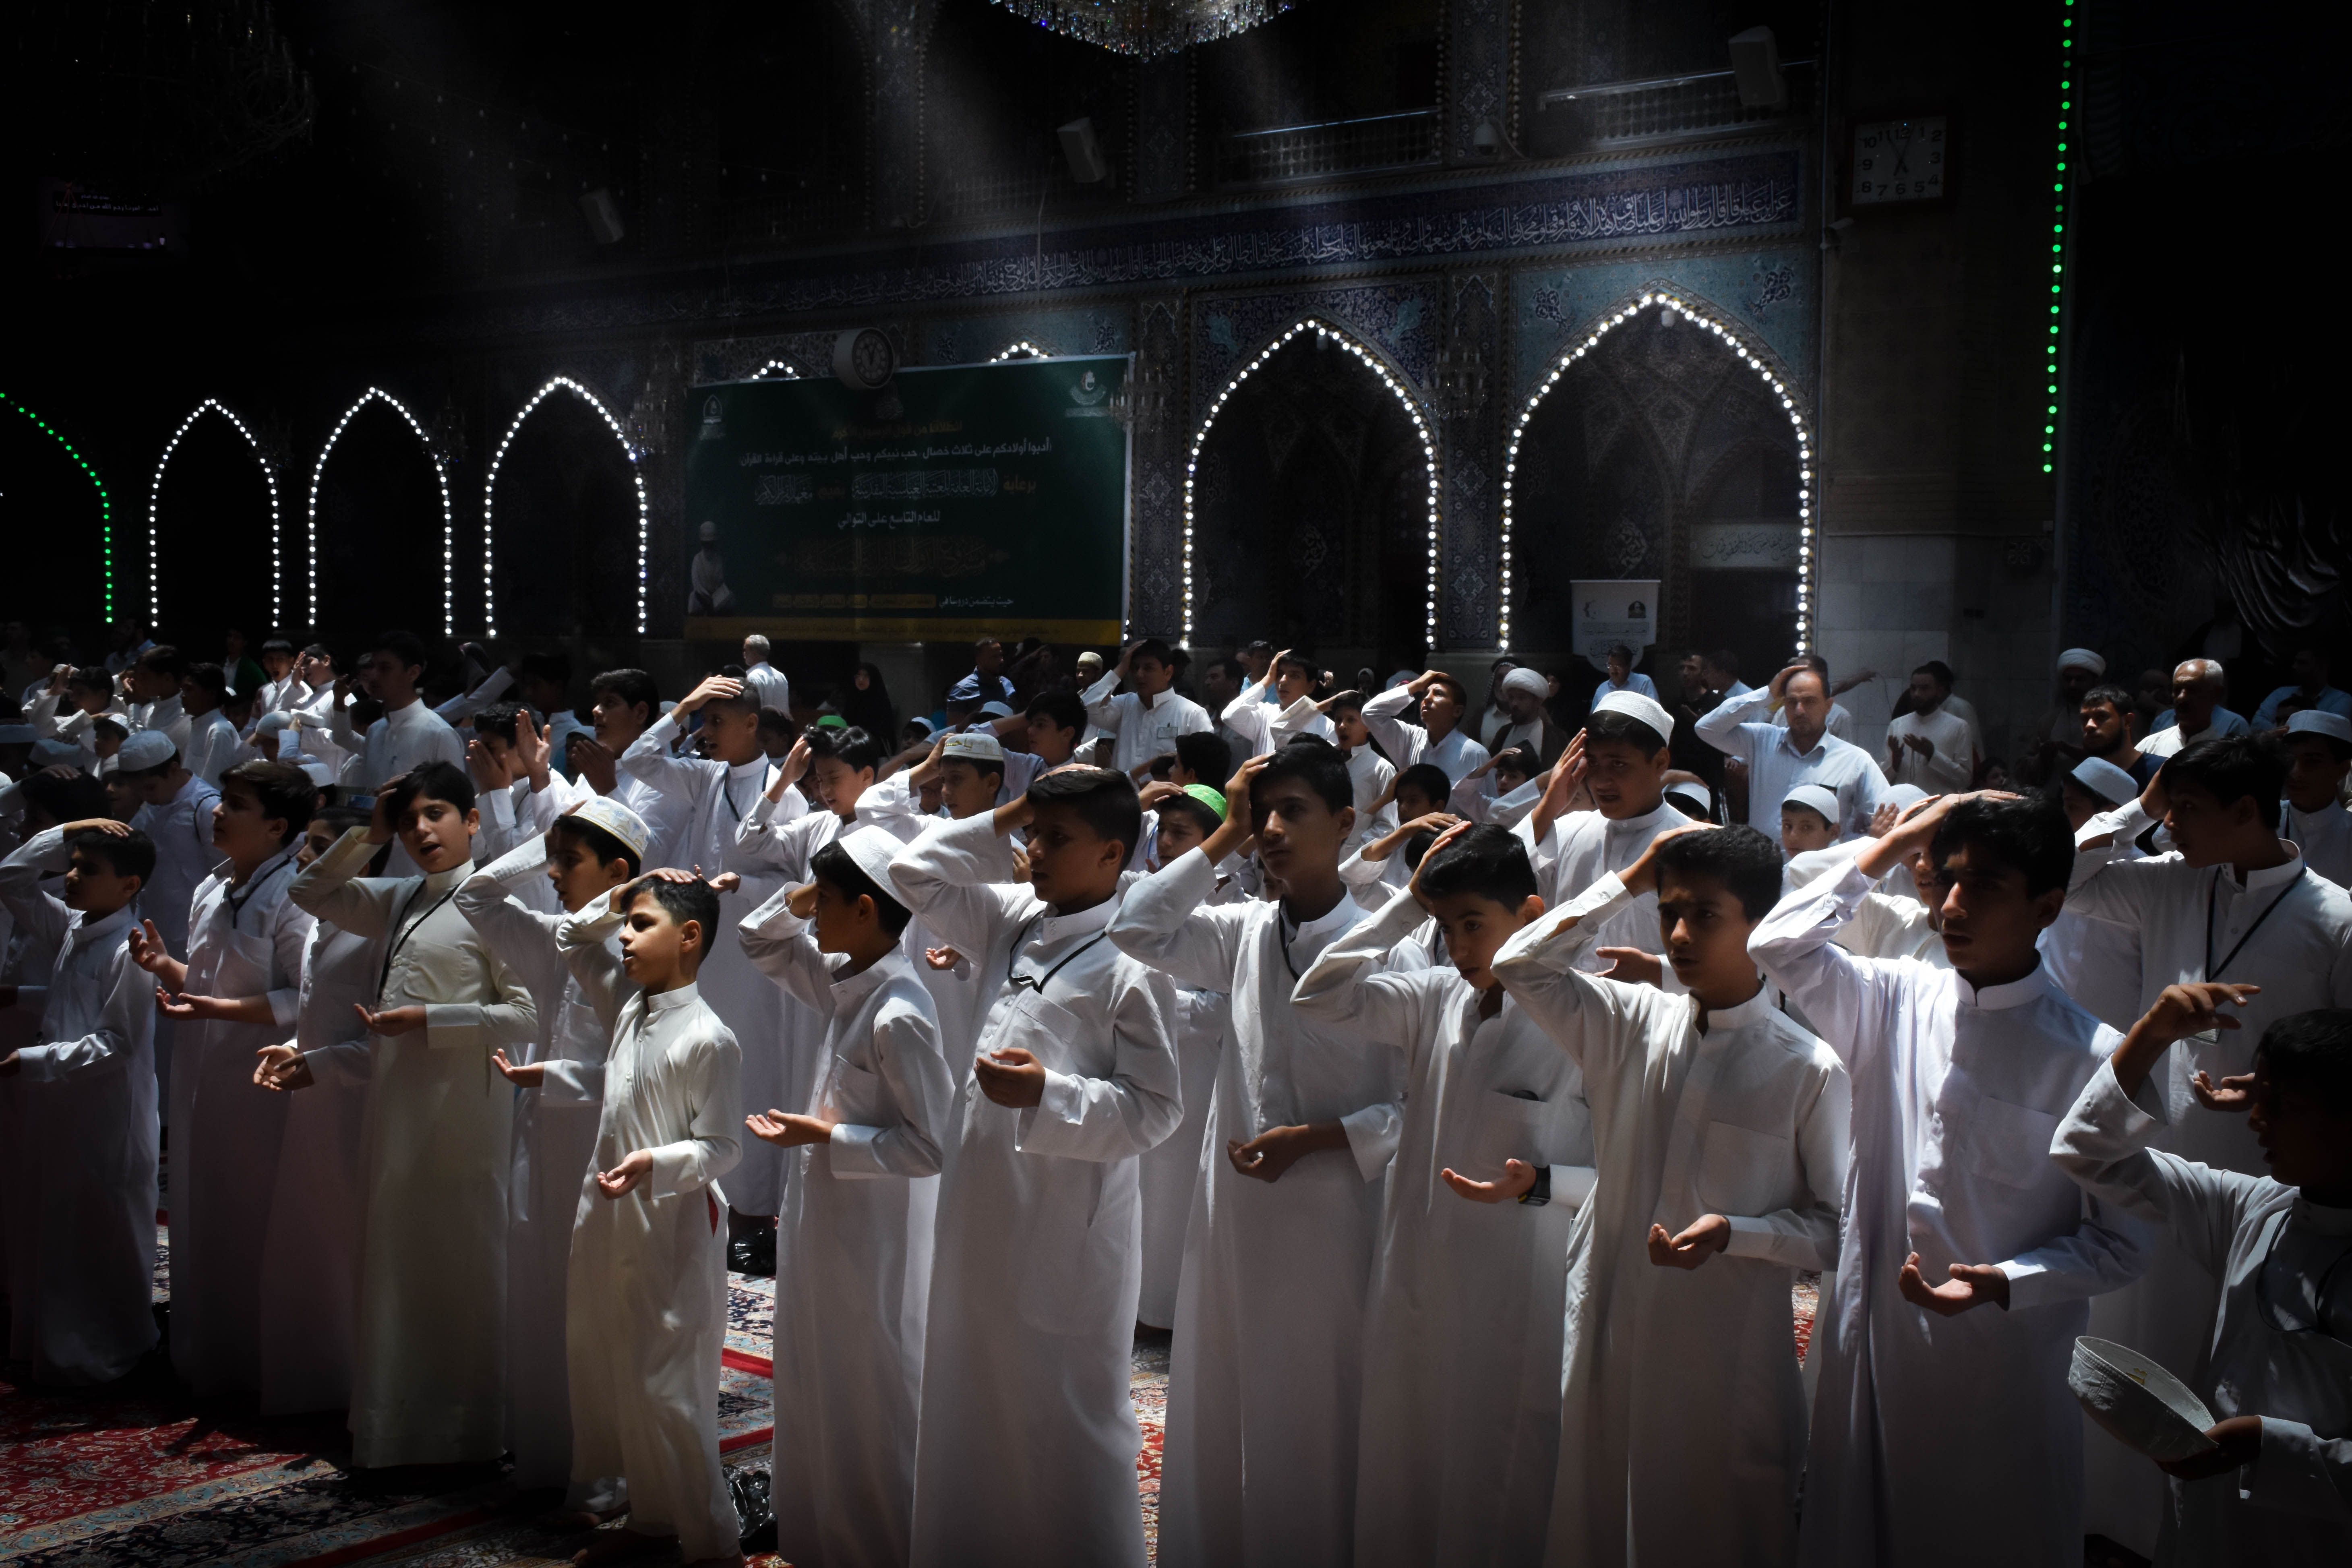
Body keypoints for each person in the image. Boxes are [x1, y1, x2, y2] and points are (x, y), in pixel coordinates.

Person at [1750, 791, 2151, 1568]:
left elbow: (2121, 1245)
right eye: (1948, 877)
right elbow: (1778, 941)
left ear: (2048, 906)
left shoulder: (2093, 1056)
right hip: (1875, 1349)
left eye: (1986, 884)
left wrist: (2003, 1281)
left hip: (1999, 1368)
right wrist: (1907, 835)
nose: (1954, 904)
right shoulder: (1893, 997)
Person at [1487, 821, 1847, 1568]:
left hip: (1725, 1359)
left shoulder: (1807, 1067)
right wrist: (1628, 880)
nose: (1679, 934)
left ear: (1760, 922)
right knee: (1598, 1517)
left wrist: (1737, 1232)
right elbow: (1517, 963)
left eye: (1705, 914)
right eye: (1668, 911)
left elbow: (1838, 1230)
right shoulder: (1628, 1023)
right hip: (1612, 1331)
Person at [2061, 731, 2352, 1553]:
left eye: (2187, 809)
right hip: (2161, 1166)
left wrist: (2268, 1089)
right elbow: (2065, 882)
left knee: (2233, 1371)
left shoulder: (2335, 918)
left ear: (2247, 810)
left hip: (2267, 1182)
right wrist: (2141, 805)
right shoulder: (2171, 881)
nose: (2171, 825)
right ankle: (2120, 1528)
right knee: (2139, 1355)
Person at [1112, 745, 1400, 1568]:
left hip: (1336, 1222)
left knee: (1317, 1408)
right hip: (1238, 1218)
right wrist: (1225, 830)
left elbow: (1417, 1106)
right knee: (1229, 1392)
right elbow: (1135, 926)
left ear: (1344, 824)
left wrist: (1317, 1138)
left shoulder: (1388, 946)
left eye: (1292, 812)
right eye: (1262, 813)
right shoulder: (1241, 931)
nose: (1271, 829)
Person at [889, 766, 1181, 1568]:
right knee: (971, 1385)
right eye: (1032, 834)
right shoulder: (1013, 918)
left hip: (1065, 1227)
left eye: (1057, 838)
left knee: (1064, 1414)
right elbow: (913, 871)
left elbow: (1157, 1107)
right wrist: (1019, 806)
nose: (1035, 851)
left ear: (1112, 853)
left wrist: (1048, 1093)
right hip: (980, 1204)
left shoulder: (1134, 959)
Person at [1291, 824, 1594, 1565]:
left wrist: (1543, 1185)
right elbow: (1317, 994)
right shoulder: (1434, 997)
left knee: (1499, 1474)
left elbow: (1625, 1168)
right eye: (1446, 927)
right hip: (1417, 1274)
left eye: (1473, 925)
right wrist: (1405, 905)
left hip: (1517, 1293)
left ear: (1530, 913)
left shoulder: (1584, 1016)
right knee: (1406, 1457)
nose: (1458, 947)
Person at [272, 761, 537, 1468]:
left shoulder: (495, 906)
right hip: (396, 1107)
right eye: (410, 819)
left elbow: (526, 1014)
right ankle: (394, 1432)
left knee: (457, 1262)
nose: (422, 830)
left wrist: (431, 1019)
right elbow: (309, 889)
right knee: (394, 1263)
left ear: (472, 820)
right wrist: (371, 831)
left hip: (462, 1110)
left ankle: (465, 1434)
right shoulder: (399, 898)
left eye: (437, 814)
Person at [2052, 989, 2352, 1564]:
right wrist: (2151, 1034)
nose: (2257, 1120)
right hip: (2206, 1534)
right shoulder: (2256, 1208)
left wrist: (2268, 1447)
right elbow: (2088, 1152)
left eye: (2284, 1104)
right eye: (2259, 1097)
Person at [738, 827, 956, 1568]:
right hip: (825, 1217)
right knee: (817, 1371)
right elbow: (758, 938)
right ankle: (819, 1531)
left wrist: (826, 1136)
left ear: (864, 910)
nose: (812, 913)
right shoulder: (844, 978)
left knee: (872, 1388)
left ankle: (884, 1545)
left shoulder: (900, 1011)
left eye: (826, 901)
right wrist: (810, 889)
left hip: (876, 1237)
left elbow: (933, 1146)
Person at [457, 796, 648, 1494]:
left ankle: (605, 1470)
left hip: (606, 1149)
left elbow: (642, 1069)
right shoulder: (549, 938)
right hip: (540, 1138)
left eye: (570, 861)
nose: (555, 874)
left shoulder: (643, 952)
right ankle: (545, 1450)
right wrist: (546, 841)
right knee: (538, 1289)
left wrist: (557, 1075)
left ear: (618, 872)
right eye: (553, 861)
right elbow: (476, 894)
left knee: (595, 1303)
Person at [556, 873, 745, 1568]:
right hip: (609, 1216)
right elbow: (569, 935)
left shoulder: (709, 1036)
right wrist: (626, 892)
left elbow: (724, 1147)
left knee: (670, 1387)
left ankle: (715, 1544)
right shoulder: (631, 1008)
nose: (625, 936)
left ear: (689, 936)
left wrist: (654, 1161)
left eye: (641, 923)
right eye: (626, 923)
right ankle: (653, 1518)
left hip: (671, 1226)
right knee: (620, 1367)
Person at [130, 759, 315, 1397]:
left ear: (277, 826)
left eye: (235, 804)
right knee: (201, 1205)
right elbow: (205, 984)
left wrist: (221, 1009)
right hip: (202, 1074)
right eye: (224, 800)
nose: (217, 811)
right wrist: (167, 966)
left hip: (261, 1080)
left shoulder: (293, 897)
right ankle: (206, 1350)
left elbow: (305, 997)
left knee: (251, 1215)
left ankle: (256, 1361)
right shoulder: (214, 886)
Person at [619, 674, 786, 1227]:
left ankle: (753, 1209)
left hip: (754, 957)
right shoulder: (705, 776)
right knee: (697, 1072)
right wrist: (684, 706)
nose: (705, 731)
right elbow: (638, 760)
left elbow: (794, 882)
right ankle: (699, 1193)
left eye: (716, 721)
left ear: (752, 724)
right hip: (701, 949)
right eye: (703, 720)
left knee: (751, 1073)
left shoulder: (783, 790)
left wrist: (744, 886)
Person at [0, 817, 158, 1384]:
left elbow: (117, 1042)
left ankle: (107, 1351)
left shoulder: (130, 950)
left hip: (105, 1111)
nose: (70, 877)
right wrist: (70, 828)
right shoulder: (75, 925)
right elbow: (11, 877)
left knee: (99, 1227)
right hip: (61, 1103)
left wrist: (33, 1060)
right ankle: (54, 1342)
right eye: (71, 865)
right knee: (56, 1223)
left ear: (129, 885)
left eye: (87, 869)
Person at [252, 807, 378, 1415]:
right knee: (309, 1242)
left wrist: (321, 1061)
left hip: (358, 1113)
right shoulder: (319, 926)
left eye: (323, 847)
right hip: (313, 1108)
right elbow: (318, 1017)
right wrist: (296, 1047)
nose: (305, 858)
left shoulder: (379, 936)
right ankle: (314, 1378)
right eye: (307, 844)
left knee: (351, 1249)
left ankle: (357, 1387)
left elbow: (393, 1041)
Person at [1131, 785, 1238, 1330]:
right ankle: (1134, 1301)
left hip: (1196, 1073)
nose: (1167, 844)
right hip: (1138, 1066)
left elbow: (1226, 1005)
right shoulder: (1142, 895)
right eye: (1163, 832)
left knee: (1174, 1191)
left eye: (1181, 833)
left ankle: (1166, 1308)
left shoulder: (1233, 910)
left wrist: (1155, 1004)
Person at [1512, 691, 1686, 961]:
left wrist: (1656, 970)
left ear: (1660, 762)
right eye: (1593, 763)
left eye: (1618, 764)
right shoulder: (1566, 831)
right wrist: (1549, 805)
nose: (1601, 781)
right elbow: (1496, 885)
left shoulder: (1691, 844)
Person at [1696, 660, 1887, 838]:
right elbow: (1705, 728)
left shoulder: (1855, 761)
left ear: (1828, 706)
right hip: (1764, 860)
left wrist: (1849, 849)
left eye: (1809, 702)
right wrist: (1767, 694)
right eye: (1792, 702)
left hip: (1825, 863)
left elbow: (1886, 815)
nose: (1799, 711)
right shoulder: (1762, 741)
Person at [2038, 756, 2147, 1032]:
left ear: (2109, 814)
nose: (2063, 816)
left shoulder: (2146, 874)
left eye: (2072, 807)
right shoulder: (2057, 862)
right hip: (2049, 1019)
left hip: (2115, 1031)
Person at [327, 631, 468, 793]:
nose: (373, 676)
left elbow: (456, 800)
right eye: (373, 667)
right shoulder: (375, 730)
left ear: (413, 673)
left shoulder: (439, 733)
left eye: (385, 669)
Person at [1082, 638, 1212, 777]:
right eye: (1135, 668)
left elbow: (1206, 766)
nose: (1139, 675)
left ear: (1168, 672)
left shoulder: (1193, 713)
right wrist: (1122, 668)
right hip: (1123, 791)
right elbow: (1086, 707)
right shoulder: (1124, 705)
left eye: (1148, 668)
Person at [1361, 669, 1491, 786]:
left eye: (1438, 694)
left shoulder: (1475, 754)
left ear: (1457, 711)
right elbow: (1370, 713)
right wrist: (1415, 685)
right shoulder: (1411, 740)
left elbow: (1489, 804)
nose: (1427, 699)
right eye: (1425, 694)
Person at [1222, 648, 1335, 759]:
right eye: (1279, 674)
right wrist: (1268, 679)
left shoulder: (1328, 727)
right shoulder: (1264, 714)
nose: (1283, 681)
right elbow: (1230, 716)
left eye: (1294, 676)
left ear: (1311, 686)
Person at [2284, 710, 2352, 889]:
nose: (2295, 773)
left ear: (2343, 769)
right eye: (2289, 760)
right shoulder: (2258, 821)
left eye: (2312, 762)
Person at [1883, 661, 1972, 791]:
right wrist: (1894, 762)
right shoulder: (1897, 725)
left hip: (1941, 802)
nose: (1917, 694)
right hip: (1904, 802)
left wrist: (1933, 755)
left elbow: (1966, 780)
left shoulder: (1959, 727)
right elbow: (1882, 780)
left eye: (1924, 688)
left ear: (1939, 691)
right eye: (1914, 689)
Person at [2027, 648, 2112, 780]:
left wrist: (2071, 752)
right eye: (2068, 679)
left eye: (2080, 679)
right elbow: (2028, 769)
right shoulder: (2049, 721)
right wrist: (2043, 756)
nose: (2073, 685)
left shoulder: (2110, 720)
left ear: (2095, 682)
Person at [2142, 659, 2252, 758]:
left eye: (2192, 690)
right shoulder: (2149, 746)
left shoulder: (2231, 752)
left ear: (2217, 695)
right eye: (2177, 690)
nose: (2181, 697)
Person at [1486, 666, 1572, 769]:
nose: (1514, 704)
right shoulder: (1504, 733)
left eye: (1521, 698)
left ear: (1538, 701)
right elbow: (1489, 769)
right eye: (1511, 698)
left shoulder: (1556, 736)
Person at [2252, 643, 2352, 729]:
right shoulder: (2282, 693)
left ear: (2321, 668)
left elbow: (2330, 730)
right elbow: (2257, 723)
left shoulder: (2340, 699)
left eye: (2302, 663)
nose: (2294, 667)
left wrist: (2278, 732)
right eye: (2295, 662)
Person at [2080, 682, 2156, 788]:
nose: (2089, 725)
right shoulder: (2079, 780)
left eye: (2101, 717)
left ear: (2127, 722)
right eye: (2085, 719)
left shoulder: (2161, 773)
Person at [179, 662, 243, 787]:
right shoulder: (199, 724)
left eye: (189, 690)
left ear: (211, 693)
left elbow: (214, 787)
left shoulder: (219, 731)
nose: (182, 695)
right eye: (183, 690)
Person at [1585, 642, 1659, 712]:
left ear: (1628, 666)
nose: (1614, 671)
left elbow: (1653, 712)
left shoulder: (1643, 683)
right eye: (1610, 665)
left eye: (1618, 666)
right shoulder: (1602, 689)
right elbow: (1595, 716)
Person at [1779, 782, 1842, 858]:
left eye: (1806, 828)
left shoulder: (1847, 865)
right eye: (1788, 826)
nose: (1793, 837)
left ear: (1834, 833)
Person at [689, 518, 735, 614]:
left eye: (710, 544)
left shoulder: (718, 559)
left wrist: (717, 596)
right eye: (707, 544)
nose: (708, 547)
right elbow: (697, 584)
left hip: (716, 598)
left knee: (731, 601)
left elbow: (721, 581)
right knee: (693, 601)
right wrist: (706, 597)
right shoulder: (697, 559)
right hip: (701, 598)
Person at [740, 635, 791, 714]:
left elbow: (753, 710)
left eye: (746, 650)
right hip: (780, 722)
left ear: (754, 652)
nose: (744, 654)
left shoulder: (753, 677)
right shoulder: (781, 676)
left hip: (762, 722)